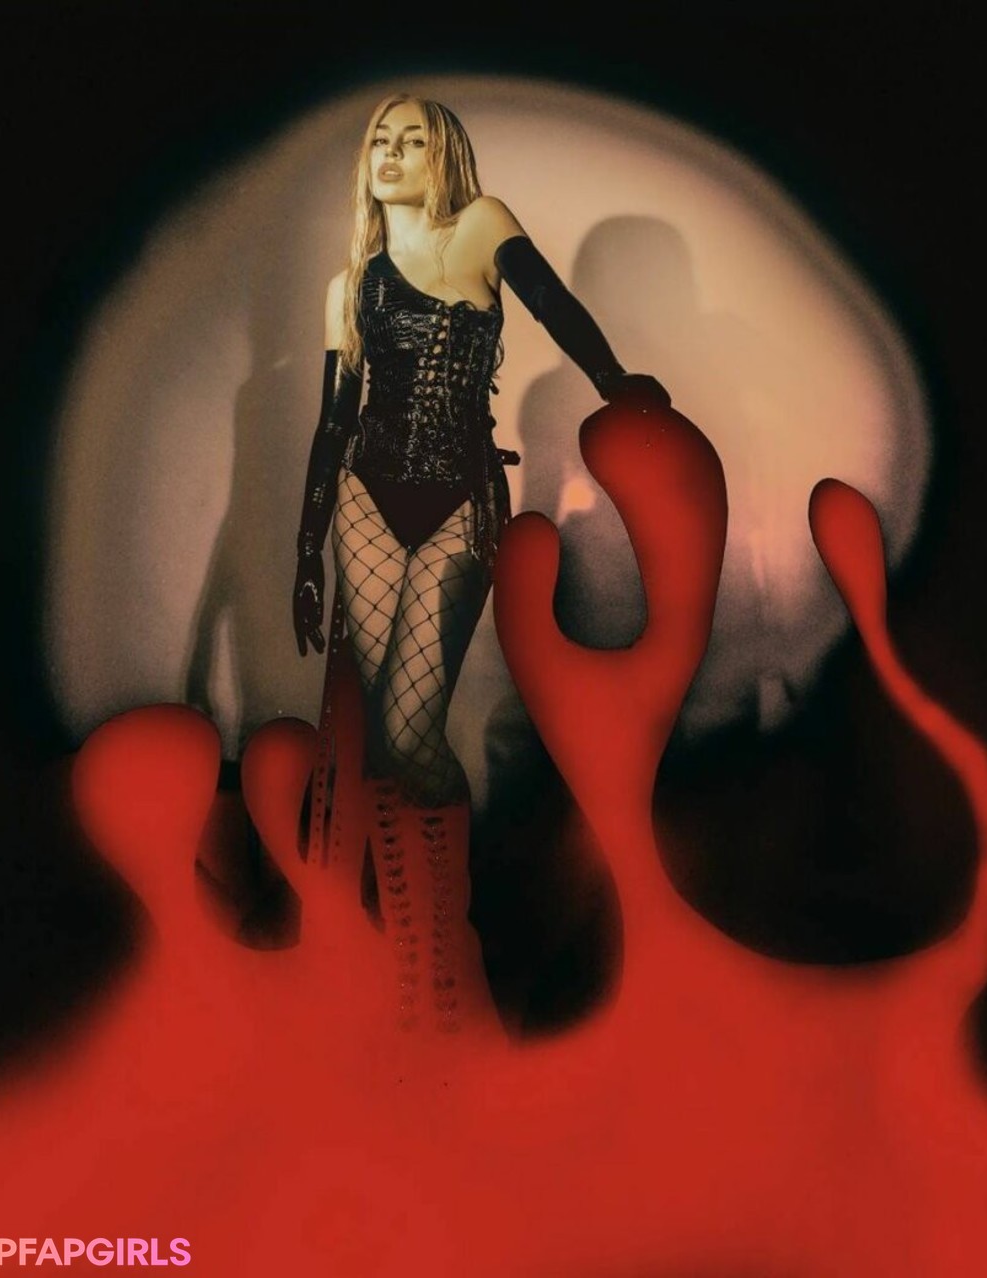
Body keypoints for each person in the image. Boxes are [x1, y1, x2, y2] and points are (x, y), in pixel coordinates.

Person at [292, 93, 668, 1031]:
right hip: (365, 501)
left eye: (412, 139)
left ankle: (445, 939)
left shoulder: (482, 227)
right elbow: (335, 424)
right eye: (379, 140)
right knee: (385, 740)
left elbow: (554, 305)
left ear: (444, 155)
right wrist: (306, 551)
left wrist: (615, 382)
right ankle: (415, 957)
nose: (391, 152)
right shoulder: (349, 286)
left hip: (460, 494)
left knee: (410, 733)